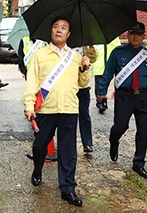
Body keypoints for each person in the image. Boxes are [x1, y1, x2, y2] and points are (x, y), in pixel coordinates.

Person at [23, 16, 90, 207]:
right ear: (51, 31)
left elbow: (82, 83)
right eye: (55, 27)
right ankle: (37, 169)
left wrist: (85, 68)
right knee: (39, 145)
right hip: (46, 108)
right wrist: (29, 105)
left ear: (69, 34)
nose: (59, 30)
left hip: (69, 108)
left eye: (63, 28)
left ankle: (67, 188)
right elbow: (32, 82)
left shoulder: (76, 57)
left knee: (68, 150)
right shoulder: (39, 55)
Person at [96, 22, 147, 179]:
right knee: (120, 127)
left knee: (143, 131)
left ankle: (138, 163)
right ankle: (114, 140)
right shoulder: (118, 53)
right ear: (127, 35)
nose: (135, 36)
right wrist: (102, 91)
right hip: (124, 96)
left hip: (143, 97)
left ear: (143, 36)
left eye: (139, 34)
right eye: (132, 33)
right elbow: (108, 72)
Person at [76, 46, 97, 153]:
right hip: (69, 87)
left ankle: (87, 143)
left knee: (84, 114)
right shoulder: (63, 45)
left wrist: (87, 55)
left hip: (83, 87)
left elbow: (94, 58)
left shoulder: (85, 43)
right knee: (68, 118)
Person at [92, 37, 121, 114]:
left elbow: (118, 49)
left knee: (107, 84)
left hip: (110, 66)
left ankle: (104, 102)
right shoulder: (96, 37)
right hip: (99, 65)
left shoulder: (114, 38)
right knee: (98, 86)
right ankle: (100, 103)